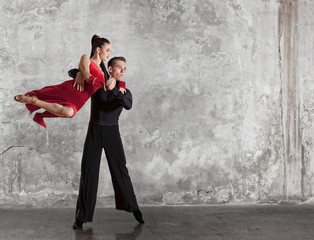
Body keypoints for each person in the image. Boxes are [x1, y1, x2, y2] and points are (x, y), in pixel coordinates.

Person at [72, 56, 144, 230]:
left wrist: (115, 90)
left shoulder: (124, 91)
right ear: (109, 69)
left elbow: (128, 105)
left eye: (125, 68)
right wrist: (80, 74)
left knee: (121, 172)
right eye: (119, 67)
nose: (123, 71)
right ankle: (81, 218)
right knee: (88, 173)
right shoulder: (96, 84)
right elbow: (72, 71)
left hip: (112, 133)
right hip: (94, 131)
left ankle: (135, 210)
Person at [14, 35, 126, 128]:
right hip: (69, 90)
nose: (109, 53)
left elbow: (112, 81)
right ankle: (32, 98)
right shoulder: (86, 58)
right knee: (48, 96)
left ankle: (35, 101)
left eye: (110, 51)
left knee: (68, 113)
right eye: (107, 50)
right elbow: (87, 74)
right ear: (98, 50)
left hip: (79, 99)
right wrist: (81, 73)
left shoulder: (103, 72)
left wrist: (122, 84)